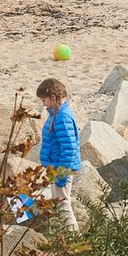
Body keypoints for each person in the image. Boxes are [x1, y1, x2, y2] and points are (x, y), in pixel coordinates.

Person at [36, 77, 81, 233]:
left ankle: (74, 239)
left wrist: (62, 174)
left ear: (52, 97)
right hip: (54, 167)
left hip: (61, 169)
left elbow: (69, 148)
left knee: (63, 204)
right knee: (57, 202)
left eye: (43, 100)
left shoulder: (63, 116)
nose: (43, 103)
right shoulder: (57, 113)